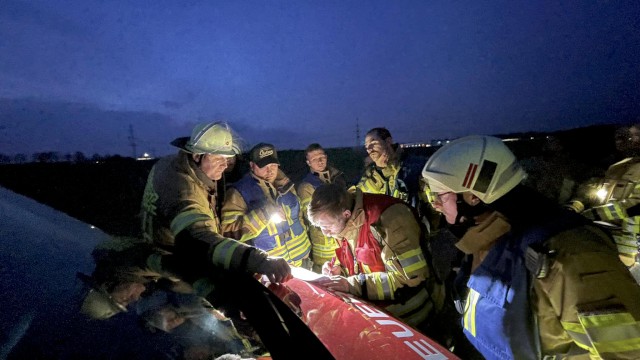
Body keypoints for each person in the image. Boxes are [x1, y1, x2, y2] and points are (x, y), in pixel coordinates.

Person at [421, 135, 640, 359]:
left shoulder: (572, 255)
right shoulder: (485, 239)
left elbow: (626, 353)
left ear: (472, 196)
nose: (435, 205)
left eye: (439, 195)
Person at [140, 122, 291, 284]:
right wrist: (259, 261)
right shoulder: (183, 190)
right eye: (219, 158)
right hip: (173, 265)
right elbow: (198, 238)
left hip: (164, 254)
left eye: (227, 159)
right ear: (197, 155)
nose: (225, 165)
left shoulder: (174, 164)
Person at [307, 183, 445, 333]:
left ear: (346, 214)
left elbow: (410, 279)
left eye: (327, 226)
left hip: (412, 320)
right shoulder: (344, 221)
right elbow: (353, 257)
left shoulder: (391, 218)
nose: (325, 233)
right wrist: (338, 269)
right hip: (376, 317)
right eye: (319, 227)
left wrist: (351, 285)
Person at [568, 124, 640, 284]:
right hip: (608, 246)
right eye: (618, 138)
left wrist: (590, 215)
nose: (622, 142)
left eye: (632, 137)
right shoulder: (615, 168)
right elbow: (595, 195)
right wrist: (575, 206)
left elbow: (633, 206)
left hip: (634, 250)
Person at [221, 143, 312, 268]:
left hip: (304, 261)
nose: (270, 170)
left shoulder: (286, 184)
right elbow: (228, 234)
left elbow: (299, 216)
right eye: (264, 166)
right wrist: (264, 214)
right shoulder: (238, 192)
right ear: (252, 166)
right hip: (272, 269)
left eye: (273, 165)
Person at [296, 143, 346, 272]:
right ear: (308, 162)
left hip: (345, 240)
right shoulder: (306, 187)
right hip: (325, 248)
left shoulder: (338, 178)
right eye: (314, 159)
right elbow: (314, 219)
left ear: (326, 157)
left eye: (322, 157)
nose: (319, 161)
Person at [351, 127, 425, 208]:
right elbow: (354, 199)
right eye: (366, 146)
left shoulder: (414, 168)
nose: (369, 149)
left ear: (388, 141)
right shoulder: (370, 176)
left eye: (373, 143)